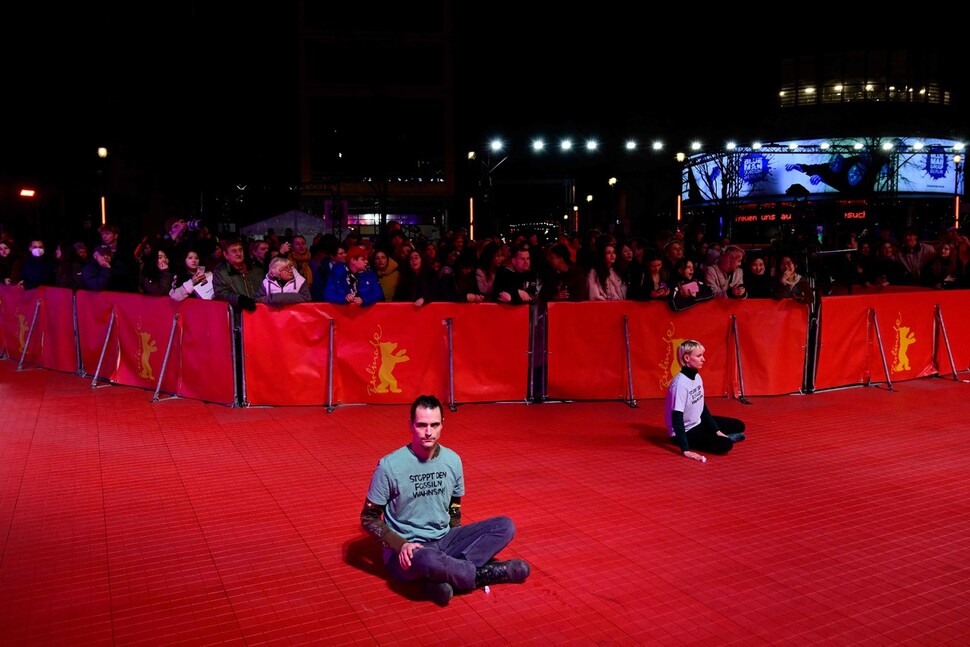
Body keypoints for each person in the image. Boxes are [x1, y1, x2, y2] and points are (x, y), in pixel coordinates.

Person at [360, 394, 530, 606]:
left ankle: (441, 576)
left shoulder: (452, 460)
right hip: (410, 551)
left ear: (442, 425)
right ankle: (480, 574)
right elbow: (369, 517)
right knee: (428, 559)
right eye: (421, 425)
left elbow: (454, 506)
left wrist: (456, 535)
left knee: (505, 526)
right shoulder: (389, 466)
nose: (428, 432)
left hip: (444, 540)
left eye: (434, 424)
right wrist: (400, 545)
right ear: (411, 425)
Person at [665, 340, 746, 462]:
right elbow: (677, 420)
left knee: (739, 425)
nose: (703, 359)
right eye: (699, 356)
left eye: (702, 355)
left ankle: (720, 436)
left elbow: (701, 406)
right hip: (685, 431)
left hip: (698, 422)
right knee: (725, 445)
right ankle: (726, 438)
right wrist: (685, 450)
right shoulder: (679, 385)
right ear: (687, 358)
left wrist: (717, 430)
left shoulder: (697, 377)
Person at [212, 237, 266, 313]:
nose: (238, 253)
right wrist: (239, 299)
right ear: (226, 255)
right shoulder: (221, 273)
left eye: (240, 250)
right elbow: (221, 293)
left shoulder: (257, 270)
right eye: (234, 251)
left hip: (260, 312)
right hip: (238, 315)